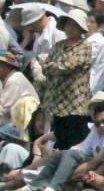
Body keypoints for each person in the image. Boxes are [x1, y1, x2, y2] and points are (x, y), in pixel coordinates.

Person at [1, 101, 104, 191]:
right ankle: (32, 188)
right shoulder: (96, 131)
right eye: (98, 122)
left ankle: (47, 189)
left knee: (67, 156)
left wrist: (63, 175)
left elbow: (97, 165)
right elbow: (80, 148)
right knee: (65, 153)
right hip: (85, 171)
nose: (101, 125)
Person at [40, 9, 93, 150]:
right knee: (60, 136)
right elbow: (45, 67)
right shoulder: (59, 45)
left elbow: (68, 66)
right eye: (68, 25)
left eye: (74, 25)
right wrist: (53, 66)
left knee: (74, 139)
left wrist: (53, 66)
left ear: (81, 28)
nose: (70, 28)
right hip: (57, 101)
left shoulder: (84, 46)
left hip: (75, 102)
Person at [0, 50, 39, 154]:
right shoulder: (9, 80)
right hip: (14, 127)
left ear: (8, 66)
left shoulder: (15, 80)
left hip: (21, 129)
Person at [85, 10, 104, 94]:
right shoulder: (94, 39)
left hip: (92, 84)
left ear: (98, 26)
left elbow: (84, 60)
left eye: (92, 22)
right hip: (96, 84)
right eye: (86, 21)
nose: (88, 24)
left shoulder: (95, 41)